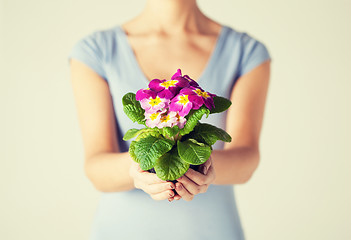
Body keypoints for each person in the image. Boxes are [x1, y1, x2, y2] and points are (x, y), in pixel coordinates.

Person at [68, 0, 271, 239]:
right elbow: (96, 167)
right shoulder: (96, 50)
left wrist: (204, 166)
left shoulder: (246, 52)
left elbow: (246, 158)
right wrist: (138, 168)